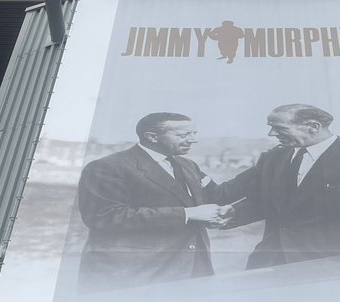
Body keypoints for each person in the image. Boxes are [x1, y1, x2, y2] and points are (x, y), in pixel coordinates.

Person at [214, 104, 340, 269]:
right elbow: (267, 203)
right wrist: (234, 213)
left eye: (278, 128)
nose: (271, 134)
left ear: (313, 127)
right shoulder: (272, 159)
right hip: (270, 263)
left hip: (335, 266)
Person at [76, 112, 230, 291]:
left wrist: (263, 166)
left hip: (192, 270)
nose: (193, 140)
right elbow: (104, 217)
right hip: (135, 276)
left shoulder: (188, 165)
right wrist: (188, 214)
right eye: (184, 135)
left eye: (194, 134)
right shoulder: (107, 167)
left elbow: (217, 195)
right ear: (152, 137)